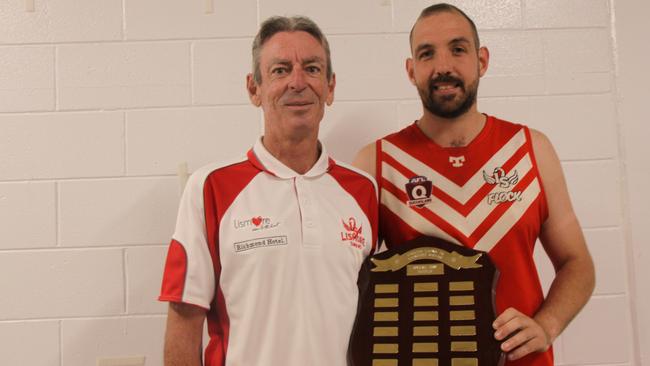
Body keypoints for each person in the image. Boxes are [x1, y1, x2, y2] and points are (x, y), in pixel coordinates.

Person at [353, 4, 595, 365]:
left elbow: (578, 263)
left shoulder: (531, 149)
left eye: (458, 49)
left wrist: (547, 325)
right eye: (426, 53)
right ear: (411, 70)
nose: (443, 66)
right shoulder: (377, 162)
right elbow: (350, 282)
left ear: (482, 60)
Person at [159, 16, 378, 366]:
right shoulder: (210, 188)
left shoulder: (364, 191)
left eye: (312, 68)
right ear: (253, 89)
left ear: (330, 86)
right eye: (280, 70)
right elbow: (184, 323)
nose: (297, 82)